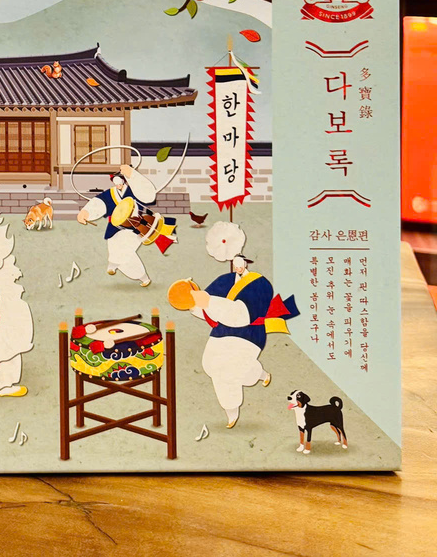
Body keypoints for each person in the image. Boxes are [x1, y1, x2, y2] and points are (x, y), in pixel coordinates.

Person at [189, 221, 297, 428]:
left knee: (227, 370)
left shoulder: (260, 283)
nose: (238, 267)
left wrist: (208, 302)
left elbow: (241, 315)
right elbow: (203, 308)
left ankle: (232, 411)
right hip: (221, 332)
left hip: (249, 334)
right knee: (211, 365)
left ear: (246, 263)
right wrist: (193, 302)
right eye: (235, 264)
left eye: (241, 263)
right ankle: (259, 374)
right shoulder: (224, 280)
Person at [77, 160, 177, 287]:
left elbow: (148, 195)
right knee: (114, 247)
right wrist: (86, 212)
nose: (118, 185)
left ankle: (140, 275)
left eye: (120, 182)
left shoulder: (135, 190)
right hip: (115, 228)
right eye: (116, 183)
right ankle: (115, 265)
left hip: (137, 226)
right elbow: (99, 202)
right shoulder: (110, 193)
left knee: (124, 251)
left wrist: (133, 175)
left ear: (124, 181)